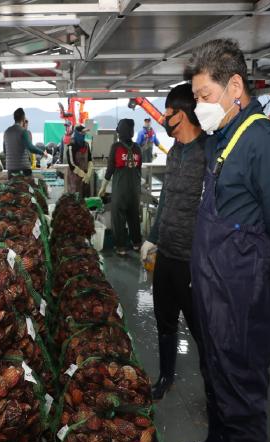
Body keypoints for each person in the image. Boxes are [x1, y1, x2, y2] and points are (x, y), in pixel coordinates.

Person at [183, 38, 270, 442]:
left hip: (241, 297)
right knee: (216, 378)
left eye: (205, 96)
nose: (199, 106)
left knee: (241, 396)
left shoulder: (263, 142)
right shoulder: (221, 138)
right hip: (213, 292)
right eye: (196, 97)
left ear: (234, 87)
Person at [139, 84, 207, 400]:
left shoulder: (210, 152)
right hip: (166, 253)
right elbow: (165, 197)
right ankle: (166, 378)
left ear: (186, 113)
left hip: (193, 260)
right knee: (164, 320)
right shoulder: (176, 152)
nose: (165, 121)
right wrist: (152, 238)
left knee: (202, 330)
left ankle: (215, 390)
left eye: (169, 114)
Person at [98, 119, 142, 256]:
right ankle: (137, 243)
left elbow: (110, 169)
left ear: (120, 132)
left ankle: (121, 247)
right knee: (134, 216)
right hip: (134, 190)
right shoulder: (137, 148)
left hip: (120, 189)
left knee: (118, 217)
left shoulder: (116, 147)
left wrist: (103, 188)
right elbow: (138, 169)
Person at [3, 108, 46, 178]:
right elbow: (31, 148)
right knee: (29, 184)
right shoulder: (23, 131)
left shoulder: (7, 132)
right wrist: (43, 153)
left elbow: (5, 150)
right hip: (23, 169)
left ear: (14, 118)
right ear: (23, 118)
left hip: (10, 170)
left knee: (12, 185)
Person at [65, 125, 94, 196]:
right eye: (82, 133)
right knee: (75, 198)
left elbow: (89, 159)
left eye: (85, 133)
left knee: (85, 197)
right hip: (74, 178)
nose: (84, 135)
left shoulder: (86, 145)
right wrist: (82, 174)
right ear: (77, 133)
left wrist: (89, 173)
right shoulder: (71, 146)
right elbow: (72, 164)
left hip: (85, 178)